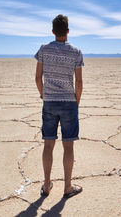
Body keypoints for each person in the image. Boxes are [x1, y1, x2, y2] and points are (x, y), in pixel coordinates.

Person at [34, 14, 84, 198]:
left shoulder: (44, 50)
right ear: (68, 31)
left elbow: (37, 77)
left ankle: (47, 185)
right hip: (69, 102)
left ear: (53, 31)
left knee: (48, 144)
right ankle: (68, 187)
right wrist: (76, 101)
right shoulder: (76, 52)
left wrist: (43, 94)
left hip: (49, 101)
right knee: (68, 146)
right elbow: (79, 82)